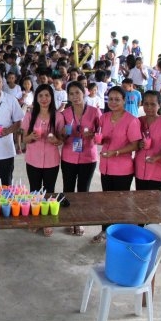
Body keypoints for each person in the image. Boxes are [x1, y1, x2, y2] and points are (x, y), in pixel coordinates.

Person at [91, 86, 141, 244]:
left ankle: (118, 236)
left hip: (122, 169)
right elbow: (99, 135)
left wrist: (117, 152)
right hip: (106, 166)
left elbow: (135, 145)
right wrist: (96, 138)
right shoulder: (104, 118)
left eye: (117, 99)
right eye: (111, 99)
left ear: (124, 100)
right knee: (106, 202)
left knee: (119, 203)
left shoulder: (131, 120)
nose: (113, 102)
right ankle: (105, 231)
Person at [22, 84, 64, 237]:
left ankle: (46, 221)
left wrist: (55, 140)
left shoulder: (58, 116)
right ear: (36, 98)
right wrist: (31, 137)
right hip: (33, 159)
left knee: (49, 190)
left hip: (51, 160)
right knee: (34, 190)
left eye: (47, 95)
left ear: (51, 97)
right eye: (40, 96)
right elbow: (24, 139)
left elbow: (61, 140)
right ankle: (35, 219)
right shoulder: (30, 115)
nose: (44, 99)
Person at [60, 81, 102, 236]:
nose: (75, 96)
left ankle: (80, 221)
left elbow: (100, 134)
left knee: (83, 190)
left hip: (88, 157)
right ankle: (70, 221)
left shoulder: (94, 112)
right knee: (68, 189)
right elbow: (60, 137)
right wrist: (64, 133)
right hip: (69, 156)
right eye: (71, 94)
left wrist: (92, 135)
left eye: (77, 92)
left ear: (84, 92)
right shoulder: (65, 113)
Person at [134, 91, 161, 191]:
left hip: (157, 167)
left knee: (155, 201)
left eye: (153, 104)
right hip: (140, 165)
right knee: (140, 199)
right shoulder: (138, 121)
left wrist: (157, 156)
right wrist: (139, 144)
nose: (149, 107)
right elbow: (133, 141)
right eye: (146, 104)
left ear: (159, 105)